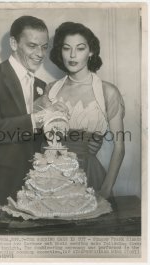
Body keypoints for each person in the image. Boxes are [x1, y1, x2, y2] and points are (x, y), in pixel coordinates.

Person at [0, 16, 66, 206]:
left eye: (44, 47)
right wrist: (38, 119)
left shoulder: (42, 85)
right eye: (32, 45)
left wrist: (56, 121)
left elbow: (40, 140)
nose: (40, 54)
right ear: (14, 43)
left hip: (36, 184)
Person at [35, 22, 125, 199]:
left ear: (91, 52)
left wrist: (106, 189)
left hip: (89, 175)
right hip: (52, 177)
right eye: (67, 48)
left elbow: (120, 147)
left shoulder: (108, 91)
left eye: (80, 48)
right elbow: (34, 131)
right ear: (60, 52)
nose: (73, 55)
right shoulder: (51, 89)